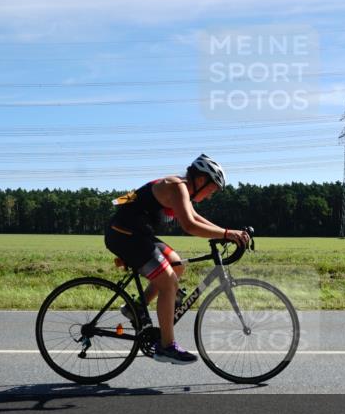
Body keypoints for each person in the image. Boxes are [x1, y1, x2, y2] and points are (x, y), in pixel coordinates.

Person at [105, 154, 249, 364]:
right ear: (201, 180)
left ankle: (136, 308)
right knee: (168, 282)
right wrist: (227, 234)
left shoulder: (182, 189)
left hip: (137, 233)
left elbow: (196, 218)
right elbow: (189, 225)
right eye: (212, 189)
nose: (211, 195)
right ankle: (166, 346)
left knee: (177, 264)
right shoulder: (176, 186)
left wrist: (228, 232)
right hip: (124, 234)